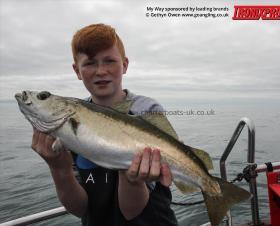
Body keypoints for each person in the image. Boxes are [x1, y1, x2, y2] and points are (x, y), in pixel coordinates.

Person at [31, 23, 178, 226]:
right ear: (77, 70)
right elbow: (79, 208)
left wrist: (131, 177)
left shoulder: (146, 109)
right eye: (90, 63)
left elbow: (131, 212)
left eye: (109, 61)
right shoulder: (69, 126)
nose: (101, 71)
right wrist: (59, 169)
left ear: (125, 65)